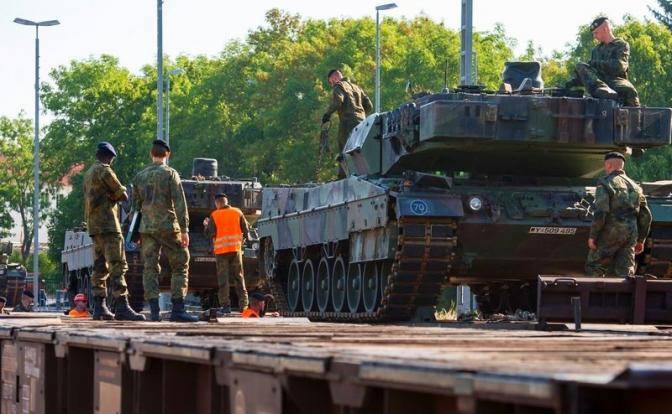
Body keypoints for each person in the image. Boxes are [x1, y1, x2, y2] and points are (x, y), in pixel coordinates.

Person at [133, 139, 196, 322]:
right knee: (180, 264)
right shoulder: (170, 174)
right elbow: (179, 202)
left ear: (151, 154)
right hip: (168, 226)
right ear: (167, 154)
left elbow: (135, 208)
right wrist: (184, 229)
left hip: (147, 228)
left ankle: (154, 311)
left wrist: (136, 232)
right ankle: (177, 309)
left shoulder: (140, 176)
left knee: (150, 268)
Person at [83, 141, 145, 321]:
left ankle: (99, 306)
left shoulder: (88, 174)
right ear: (110, 157)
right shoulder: (105, 170)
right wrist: (114, 195)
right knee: (118, 265)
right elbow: (123, 195)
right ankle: (122, 306)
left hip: (94, 226)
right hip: (109, 225)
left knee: (99, 267)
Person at [586, 151, 652, 277]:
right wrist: (640, 240)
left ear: (609, 165)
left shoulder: (605, 183)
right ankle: (624, 296)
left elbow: (601, 212)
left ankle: (595, 295)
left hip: (610, 233)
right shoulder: (636, 187)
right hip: (630, 234)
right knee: (625, 272)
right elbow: (646, 215)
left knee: (595, 266)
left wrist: (593, 236)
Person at [566, 17, 640, 106]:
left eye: (596, 33)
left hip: (615, 81)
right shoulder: (596, 50)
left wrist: (595, 64)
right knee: (580, 66)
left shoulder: (621, 45)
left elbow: (619, 67)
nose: (594, 36)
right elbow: (589, 73)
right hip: (598, 83)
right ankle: (602, 89)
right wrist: (568, 85)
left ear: (605, 29)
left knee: (629, 90)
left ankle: (604, 90)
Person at [203, 193, 250, 315]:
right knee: (239, 277)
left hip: (221, 251)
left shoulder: (215, 215)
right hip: (235, 249)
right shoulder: (238, 212)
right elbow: (246, 230)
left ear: (217, 203)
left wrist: (206, 225)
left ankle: (225, 306)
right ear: (226, 201)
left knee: (223, 280)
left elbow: (209, 234)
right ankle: (244, 306)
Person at [322, 69, 373, 152]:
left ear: (334, 78)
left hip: (348, 123)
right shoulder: (357, 87)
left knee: (344, 150)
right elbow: (369, 106)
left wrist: (327, 115)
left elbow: (337, 102)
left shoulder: (338, 86)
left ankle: (344, 164)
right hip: (363, 123)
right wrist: (360, 115)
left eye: (331, 82)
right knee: (361, 149)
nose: (332, 85)